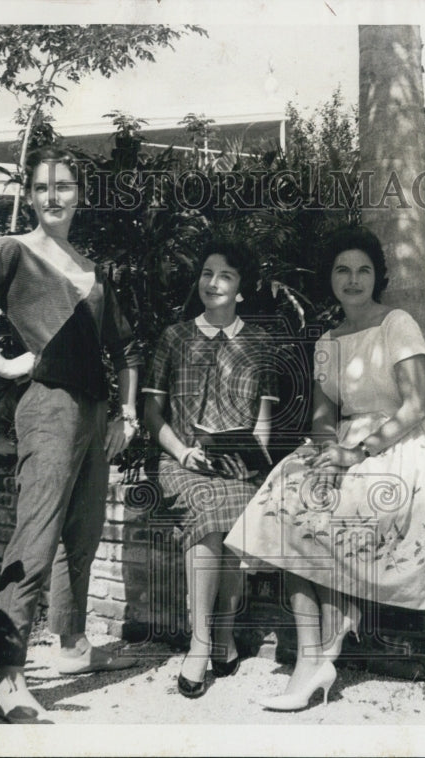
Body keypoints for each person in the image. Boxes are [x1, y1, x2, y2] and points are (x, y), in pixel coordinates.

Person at [224, 226, 425, 711]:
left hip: (402, 447)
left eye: (363, 270)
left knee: (334, 515)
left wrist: (358, 453)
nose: (353, 280)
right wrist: (326, 455)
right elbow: (323, 416)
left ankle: (326, 642)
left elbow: (415, 406)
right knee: (283, 504)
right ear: (330, 278)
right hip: (347, 443)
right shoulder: (327, 341)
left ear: (378, 276)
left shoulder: (397, 323)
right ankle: (313, 658)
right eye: (343, 270)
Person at [0, 146, 143, 723]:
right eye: (43, 187)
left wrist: (126, 413)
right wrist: (1, 364)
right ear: (29, 194)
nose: (54, 197)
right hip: (48, 409)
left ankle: (73, 648)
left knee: (84, 534)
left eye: (65, 186)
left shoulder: (91, 268)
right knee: (37, 539)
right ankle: (10, 678)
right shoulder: (13, 251)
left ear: (80, 195)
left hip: (95, 414)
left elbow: (125, 349)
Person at [143, 240, 278, 698]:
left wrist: (248, 457)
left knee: (236, 503)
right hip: (180, 463)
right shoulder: (174, 337)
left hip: (237, 465)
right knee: (207, 506)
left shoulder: (260, 344)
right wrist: (183, 453)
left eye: (226, 275)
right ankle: (204, 641)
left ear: (242, 289)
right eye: (206, 273)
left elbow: (262, 427)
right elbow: (151, 416)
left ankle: (220, 632)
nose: (213, 282)